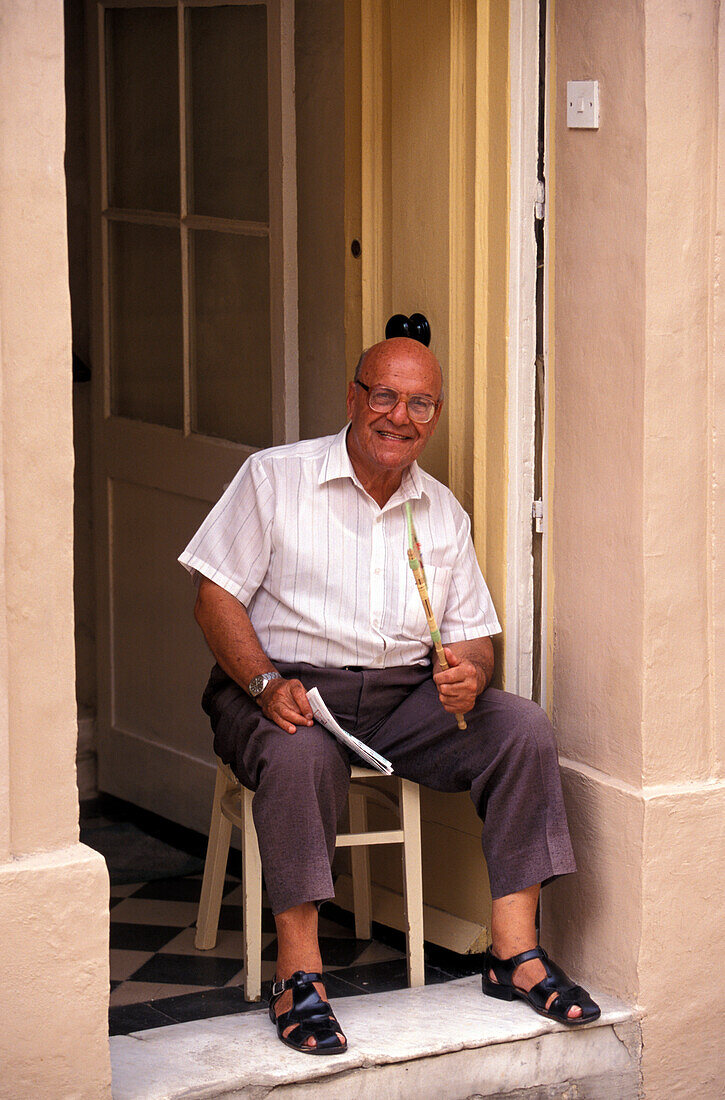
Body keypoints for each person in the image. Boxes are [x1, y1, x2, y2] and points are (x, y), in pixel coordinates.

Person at [179, 337, 600, 1056]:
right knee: (300, 751)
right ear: (353, 398)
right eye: (384, 395)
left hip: (401, 700)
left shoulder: (439, 511)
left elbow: (472, 640)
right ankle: (298, 975)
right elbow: (213, 597)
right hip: (282, 687)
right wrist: (262, 681)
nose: (398, 416)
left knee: (519, 726)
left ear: (433, 417)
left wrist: (468, 670)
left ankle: (513, 954)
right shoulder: (275, 478)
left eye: (419, 403)